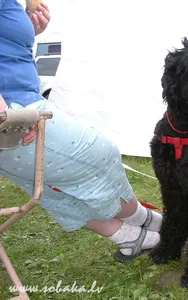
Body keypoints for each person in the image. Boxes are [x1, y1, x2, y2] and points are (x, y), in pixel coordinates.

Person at [0, 0, 162, 263]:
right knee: (102, 155)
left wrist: (27, 30)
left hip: (19, 104)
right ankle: (143, 220)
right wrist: (8, 117)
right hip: (14, 111)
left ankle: (128, 236)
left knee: (49, 187)